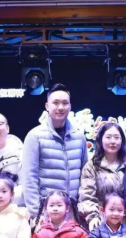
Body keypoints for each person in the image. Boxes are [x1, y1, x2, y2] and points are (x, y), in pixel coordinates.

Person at [22, 83, 88, 218]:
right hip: (46, 215)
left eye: (65, 103)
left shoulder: (79, 137)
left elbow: (85, 178)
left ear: (70, 106)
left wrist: (82, 211)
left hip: (73, 215)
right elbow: (29, 179)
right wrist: (37, 215)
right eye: (55, 103)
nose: (60, 107)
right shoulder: (35, 136)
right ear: (47, 106)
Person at [78, 122, 126, 231]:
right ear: (100, 140)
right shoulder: (92, 166)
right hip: (100, 221)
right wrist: (93, 217)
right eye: (108, 137)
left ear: (122, 141)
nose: (112, 141)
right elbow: (86, 196)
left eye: (117, 137)